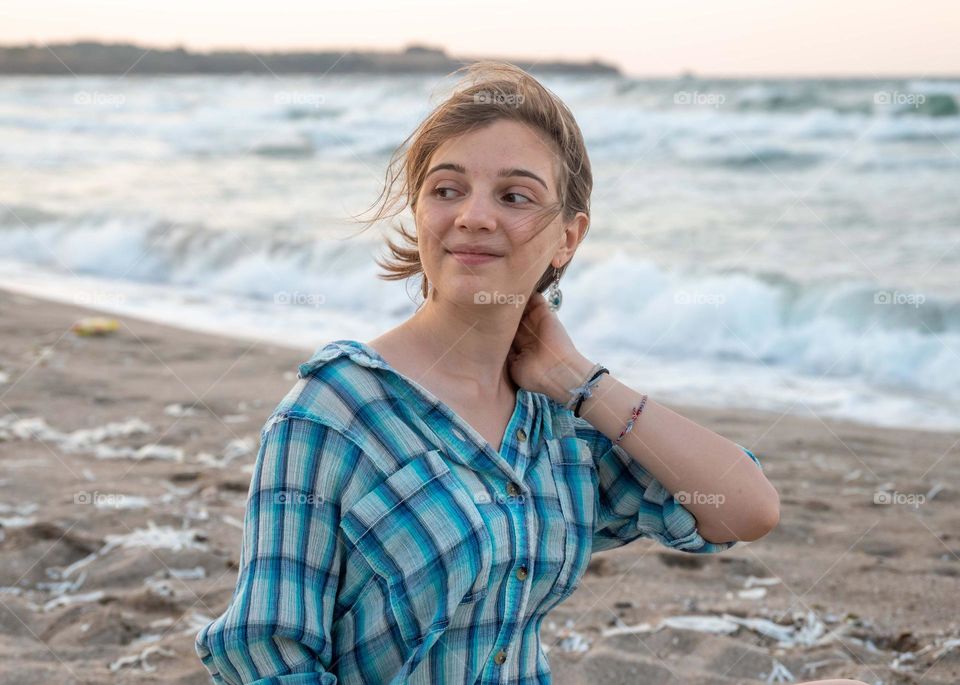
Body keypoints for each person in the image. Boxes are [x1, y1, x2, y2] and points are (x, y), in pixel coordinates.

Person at [195, 61, 868, 685]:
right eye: (446, 188)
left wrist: (582, 378)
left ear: (567, 237)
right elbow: (269, 653)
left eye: (515, 196)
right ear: (420, 212)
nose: (474, 215)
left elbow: (745, 508)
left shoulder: (557, 419)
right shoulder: (334, 410)